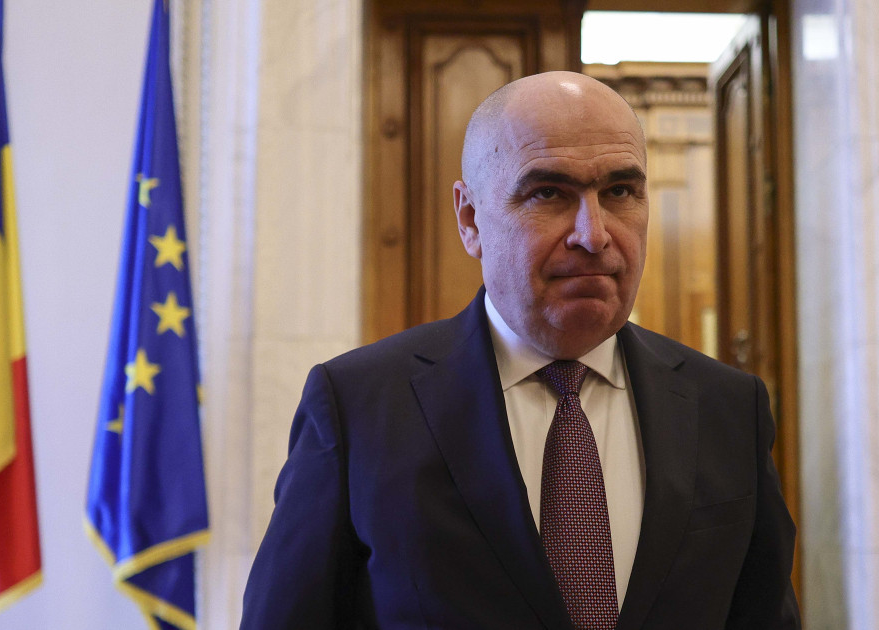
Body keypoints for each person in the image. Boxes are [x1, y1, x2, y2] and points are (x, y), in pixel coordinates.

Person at [240, 71, 799, 629]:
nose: (593, 234)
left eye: (619, 192)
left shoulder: (729, 407)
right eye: (548, 193)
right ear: (470, 219)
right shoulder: (360, 407)